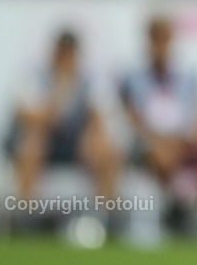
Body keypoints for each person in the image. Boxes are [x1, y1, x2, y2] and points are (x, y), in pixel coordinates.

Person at [120, 16, 197, 231]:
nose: (160, 47)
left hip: (184, 142)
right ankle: (177, 205)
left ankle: (190, 205)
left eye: (164, 40)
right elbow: (135, 122)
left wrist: (196, 136)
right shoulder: (134, 79)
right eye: (156, 40)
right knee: (162, 156)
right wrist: (163, 140)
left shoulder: (188, 78)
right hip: (152, 145)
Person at [8, 30, 119, 208]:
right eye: (62, 53)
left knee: (106, 149)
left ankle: (106, 212)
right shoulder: (36, 74)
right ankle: (26, 212)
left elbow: (98, 114)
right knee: (32, 142)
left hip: (76, 141)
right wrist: (61, 86)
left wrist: (92, 134)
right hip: (45, 139)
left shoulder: (90, 77)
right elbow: (33, 116)